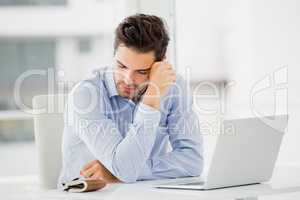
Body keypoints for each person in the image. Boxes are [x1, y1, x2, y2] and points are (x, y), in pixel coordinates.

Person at [58, 13, 203, 187]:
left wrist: (121, 172)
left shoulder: (174, 86)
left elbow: (192, 162)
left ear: (160, 65)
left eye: (142, 72)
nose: (128, 79)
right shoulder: (86, 95)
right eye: (121, 66)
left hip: (145, 192)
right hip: (88, 194)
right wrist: (151, 100)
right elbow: (126, 170)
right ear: (113, 55)